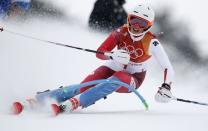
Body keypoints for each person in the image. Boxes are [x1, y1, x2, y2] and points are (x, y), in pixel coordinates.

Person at [12, 4, 174, 115]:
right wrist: (111, 55)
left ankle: (76, 102)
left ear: (148, 26)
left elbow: (167, 67)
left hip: (134, 77)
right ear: (128, 19)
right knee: (84, 86)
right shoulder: (120, 32)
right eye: (133, 20)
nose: (136, 26)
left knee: (115, 80)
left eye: (141, 23)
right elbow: (99, 52)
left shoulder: (151, 42)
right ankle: (40, 100)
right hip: (113, 66)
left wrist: (166, 87)